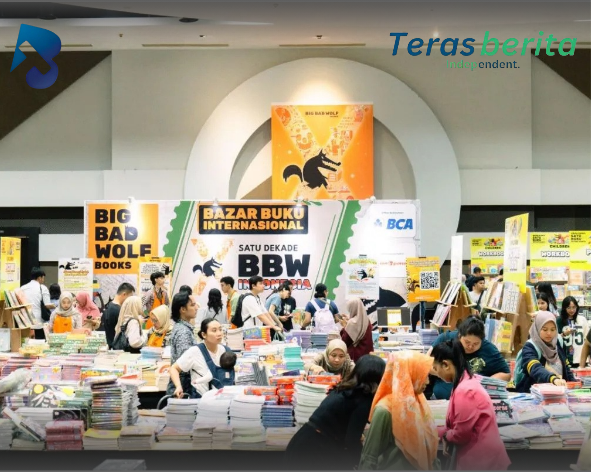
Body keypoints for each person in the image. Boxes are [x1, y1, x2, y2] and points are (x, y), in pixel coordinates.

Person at [287, 355, 386, 470]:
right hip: (315, 450)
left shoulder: (345, 389)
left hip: (303, 440)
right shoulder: (363, 399)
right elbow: (352, 440)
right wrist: (362, 462)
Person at [431, 339, 510, 470]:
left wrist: (445, 435)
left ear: (446, 365)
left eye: (435, 368)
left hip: (483, 461)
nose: (437, 374)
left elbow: (461, 435)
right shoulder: (464, 381)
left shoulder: (466, 391)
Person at [359, 351, 439, 470]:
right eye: (423, 375)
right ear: (409, 374)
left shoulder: (418, 400)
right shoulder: (385, 410)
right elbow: (369, 456)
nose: (427, 381)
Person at [428, 316, 510, 400]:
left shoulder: (489, 349)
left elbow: (506, 374)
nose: (470, 346)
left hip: (473, 399)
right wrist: (445, 374)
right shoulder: (446, 339)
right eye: (467, 342)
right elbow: (426, 365)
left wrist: (485, 384)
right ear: (459, 335)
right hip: (442, 399)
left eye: (476, 344)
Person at [170, 318, 235, 398]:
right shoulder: (195, 351)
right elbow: (174, 368)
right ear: (204, 335)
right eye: (214, 330)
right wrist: (178, 386)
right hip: (201, 400)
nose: (219, 333)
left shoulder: (226, 351)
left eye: (220, 329)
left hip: (225, 400)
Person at [516, 311, 575, 392]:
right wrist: (553, 379)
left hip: (558, 394)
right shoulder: (530, 347)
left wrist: (574, 384)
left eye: (553, 329)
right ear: (537, 328)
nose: (549, 333)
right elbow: (535, 368)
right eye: (544, 329)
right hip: (534, 395)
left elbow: (566, 367)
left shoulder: (558, 343)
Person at [167, 291, 198, 396]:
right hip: (183, 387)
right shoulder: (183, 332)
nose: (196, 308)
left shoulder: (182, 327)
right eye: (192, 305)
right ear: (183, 309)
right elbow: (185, 362)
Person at [557, 296, 588, 367]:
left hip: (580, 358)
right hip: (565, 358)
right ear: (564, 308)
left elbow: (587, 339)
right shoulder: (559, 321)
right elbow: (554, 339)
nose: (572, 310)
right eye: (569, 308)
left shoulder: (582, 319)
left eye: (574, 307)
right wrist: (564, 334)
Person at [341, 298, 373, 362]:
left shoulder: (352, 323)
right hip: (367, 355)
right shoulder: (367, 320)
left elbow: (345, 341)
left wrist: (345, 327)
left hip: (356, 356)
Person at [104, 283, 135, 349]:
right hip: (117, 347)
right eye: (130, 297)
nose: (130, 300)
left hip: (111, 345)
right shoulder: (118, 310)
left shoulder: (109, 305)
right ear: (124, 294)